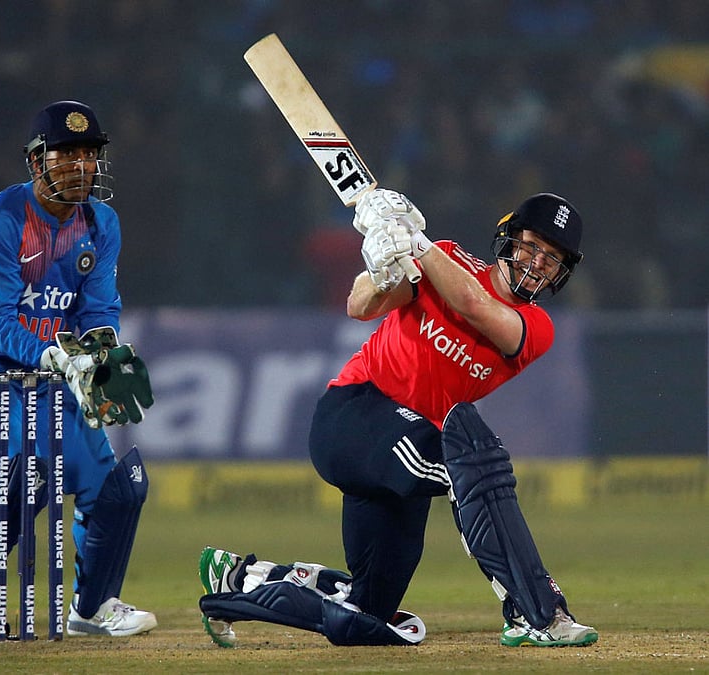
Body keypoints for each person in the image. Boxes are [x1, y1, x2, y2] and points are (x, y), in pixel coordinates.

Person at [198, 189, 598, 648]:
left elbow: (477, 307)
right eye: (532, 246)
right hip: (357, 416)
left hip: (405, 451)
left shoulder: (535, 327)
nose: (537, 262)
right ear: (507, 239)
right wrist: (382, 264)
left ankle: (241, 580)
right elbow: (359, 305)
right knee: (473, 463)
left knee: (365, 618)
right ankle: (536, 614)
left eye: (552, 258)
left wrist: (415, 242)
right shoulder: (448, 258)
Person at [0, 100, 157, 639]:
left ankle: (93, 609)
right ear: (36, 163)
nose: (81, 167)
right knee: (23, 475)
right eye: (66, 155)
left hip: (52, 376)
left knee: (115, 486)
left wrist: (100, 349)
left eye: (89, 155)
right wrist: (56, 356)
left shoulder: (101, 223)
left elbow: (98, 306)